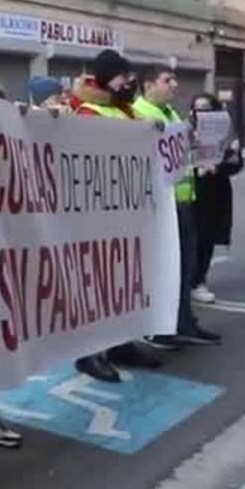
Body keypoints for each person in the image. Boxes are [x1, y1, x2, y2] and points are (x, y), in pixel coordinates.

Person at [66, 49, 165, 383]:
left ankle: (121, 342)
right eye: (123, 76)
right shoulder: (84, 109)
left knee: (125, 285)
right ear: (107, 77)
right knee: (97, 286)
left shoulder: (125, 111)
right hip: (95, 217)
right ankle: (89, 353)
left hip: (128, 214)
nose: (130, 82)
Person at [132, 66, 220, 350]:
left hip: (181, 203)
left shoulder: (171, 114)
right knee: (163, 270)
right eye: (167, 80)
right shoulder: (140, 114)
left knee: (183, 267)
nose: (175, 85)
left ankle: (183, 323)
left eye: (175, 80)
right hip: (159, 207)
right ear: (148, 84)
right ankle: (159, 329)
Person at [187, 94, 243, 301]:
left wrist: (220, 165)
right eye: (197, 107)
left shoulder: (226, 134)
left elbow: (235, 165)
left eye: (207, 108)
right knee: (192, 240)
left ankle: (199, 281)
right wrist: (197, 168)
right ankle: (189, 280)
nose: (202, 112)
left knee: (207, 239)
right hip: (191, 192)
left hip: (215, 193)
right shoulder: (184, 131)